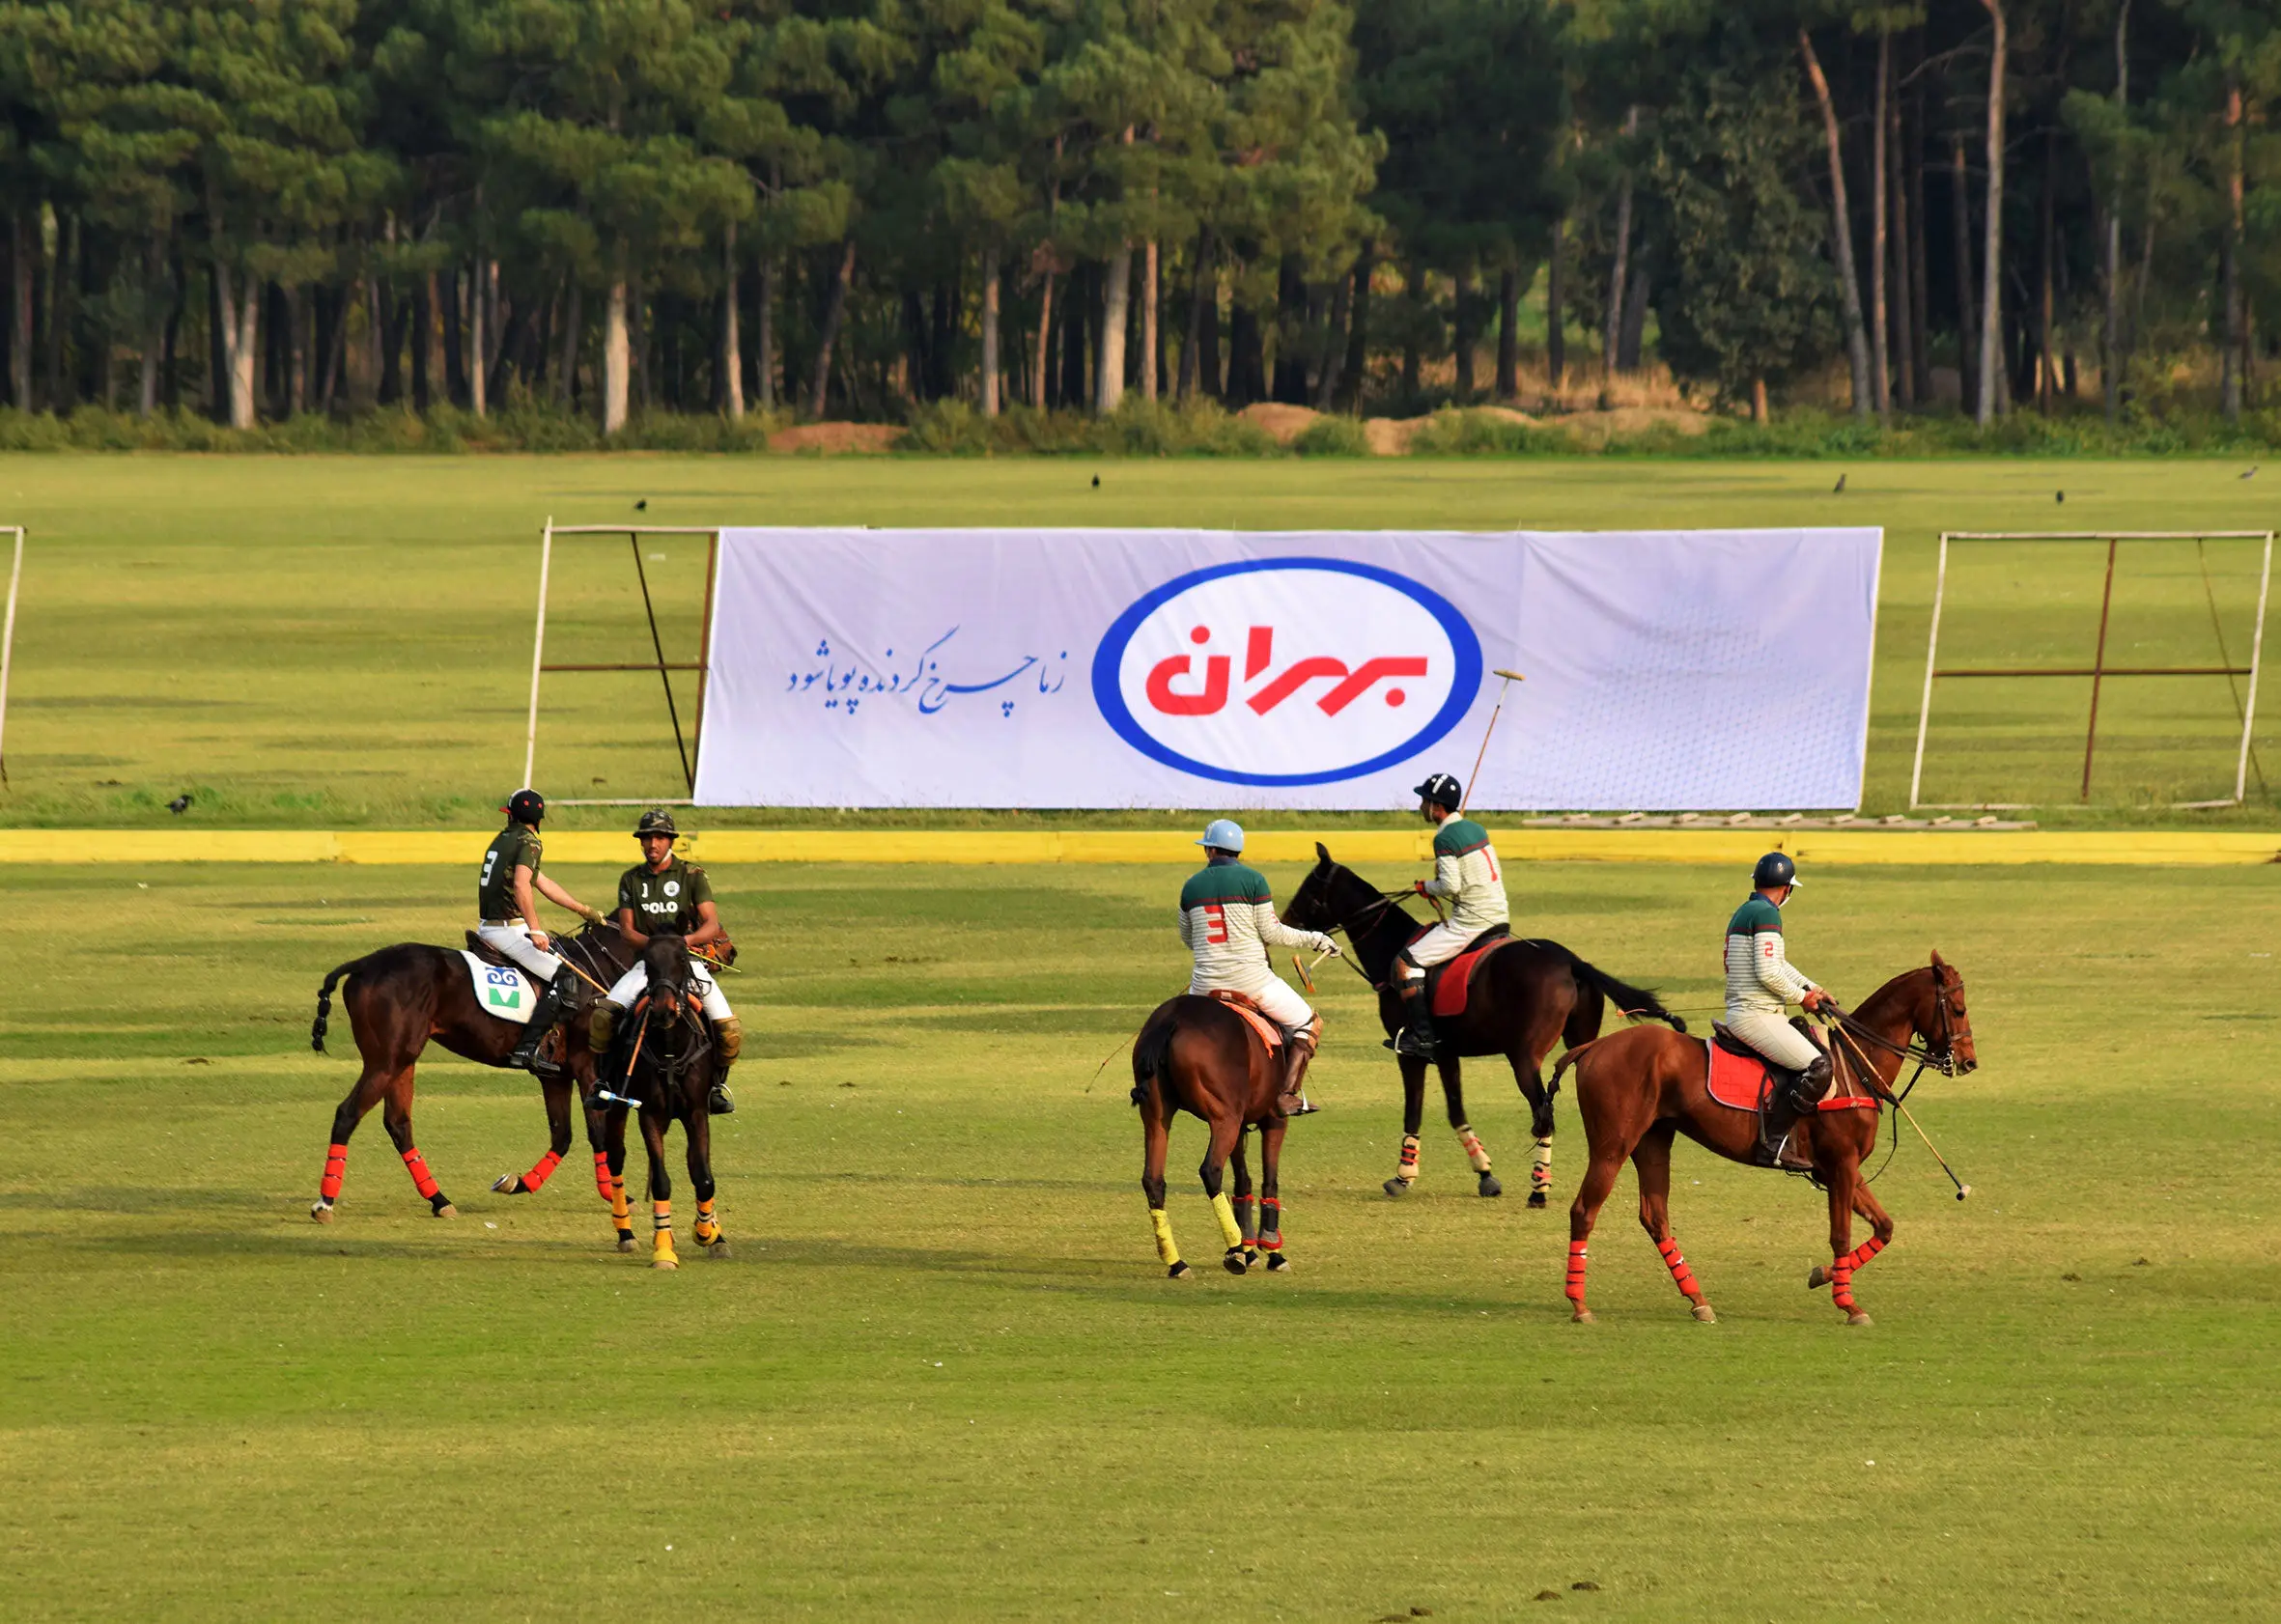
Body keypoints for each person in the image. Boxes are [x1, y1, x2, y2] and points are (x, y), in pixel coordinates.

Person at [1179, 819, 1338, 1115]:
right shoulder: (1254, 880)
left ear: (1211, 851)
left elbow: (1189, 938)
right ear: (1235, 851)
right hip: (1252, 982)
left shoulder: (1190, 887)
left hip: (1202, 986)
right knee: (1308, 1022)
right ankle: (1287, 1095)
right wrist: (1315, 939)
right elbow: (1273, 933)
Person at [590, 808, 741, 1115]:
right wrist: (660, 949)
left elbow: (711, 923)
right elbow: (629, 931)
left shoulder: (692, 876)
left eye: (659, 837)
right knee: (602, 1018)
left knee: (729, 1030)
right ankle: (604, 1083)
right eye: (647, 838)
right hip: (647, 965)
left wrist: (681, 944)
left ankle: (715, 1087)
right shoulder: (631, 879)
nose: (652, 844)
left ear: (670, 840)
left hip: (687, 963)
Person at [475, 788, 607, 1074]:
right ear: (538, 819)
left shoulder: (504, 839)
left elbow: (541, 881)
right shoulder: (529, 841)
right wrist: (536, 931)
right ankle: (528, 1048)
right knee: (568, 978)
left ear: (512, 816)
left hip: (488, 926)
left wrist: (582, 910)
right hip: (508, 931)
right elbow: (523, 885)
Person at [1387, 772, 1510, 1057]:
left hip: (1471, 923)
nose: (1421, 806)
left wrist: (1426, 886)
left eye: (1424, 801)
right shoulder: (1475, 828)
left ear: (1436, 807)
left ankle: (1424, 1038)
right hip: (1500, 916)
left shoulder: (1444, 837)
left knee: (1406, 964)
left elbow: (1450, 885)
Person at [1724, 851, 1835, 1166]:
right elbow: (1768, 973)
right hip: (1754, 1015)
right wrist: (1803, 999)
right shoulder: (1767, 914)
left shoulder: (1748, 910)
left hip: (1753, 1011)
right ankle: (1772, 1146)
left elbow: (1779, 964)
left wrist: (1812, 988)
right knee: (1819, 1066)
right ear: (1786, 888)